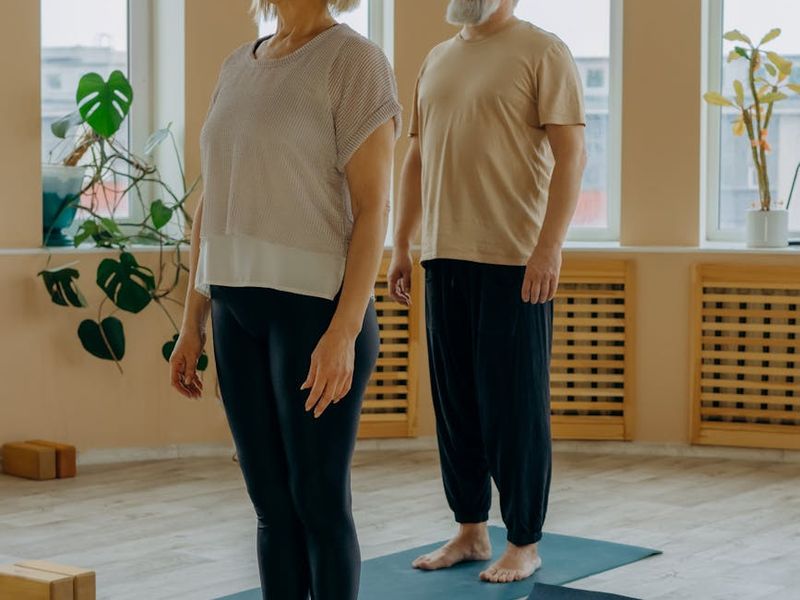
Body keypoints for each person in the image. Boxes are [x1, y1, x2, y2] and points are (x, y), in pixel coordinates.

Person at [169, 0, 402, 597]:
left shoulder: (355, 61)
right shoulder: (236, 65)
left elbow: (375, 208)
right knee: (271, 507)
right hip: (234, 310)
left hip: (315, 312)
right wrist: (192, 321)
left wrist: (344, 332)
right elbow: (210, 201)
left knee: (317, 504)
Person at [388, 0, 587, 585]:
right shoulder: (437, 59)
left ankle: (523, 540)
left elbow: (572, 154)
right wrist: (402, 243)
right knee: (457, 406)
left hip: (513, 260)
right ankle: (471, 531)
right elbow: (417, 156)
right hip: (444, 255)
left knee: (514, 408)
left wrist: (549, 246)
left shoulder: (542, 51)